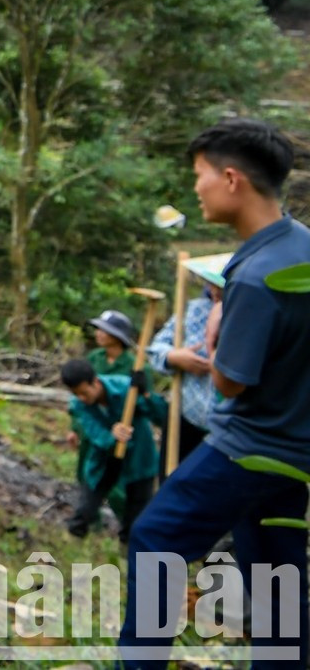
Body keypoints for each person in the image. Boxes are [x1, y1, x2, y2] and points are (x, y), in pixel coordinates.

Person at [122, 118, 308, 668]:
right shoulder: (301, 248)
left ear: (232, 179)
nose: (196, 188)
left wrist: (213, 334)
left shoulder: (251, 275)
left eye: (200, 175)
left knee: (155, 537)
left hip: (250, 443)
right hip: (297, 451)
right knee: (277, 580)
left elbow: (231, 380)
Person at [61, 355, 165, 544]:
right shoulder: (78, 404)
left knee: (136, 515)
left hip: (138, 460)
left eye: (85, 392)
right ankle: (73, 541)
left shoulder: (127, 389)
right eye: (77, 394)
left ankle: (128, 551)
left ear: (95, 382)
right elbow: (94, 431)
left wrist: (146, 394)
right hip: (104, 459)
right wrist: (112, 436)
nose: (82, 399)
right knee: (86, 507)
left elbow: (161, 416)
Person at [145, 254, 228, 466]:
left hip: (230, 429)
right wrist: (175, 357)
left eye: (222, 285)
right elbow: (156, 349)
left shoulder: (251, 315)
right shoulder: (193, 311)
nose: (215, 291)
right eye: (212, 284)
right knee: (172, 482)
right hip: (185, 420)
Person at [87, 309, 139, 379]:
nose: (98, 333)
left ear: (118, 336)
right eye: (98, 329)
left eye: (104, 330)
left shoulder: (135, 364)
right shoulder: (94, 357)